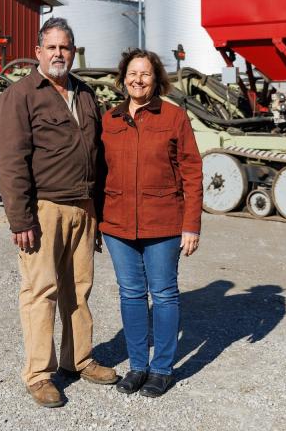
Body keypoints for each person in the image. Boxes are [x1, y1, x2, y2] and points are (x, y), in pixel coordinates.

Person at [0, 17, 119, 408]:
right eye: (51, 47)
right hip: (45, 208)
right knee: (41, 291)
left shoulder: (83, 94)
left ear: (74, 51)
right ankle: (38, 374)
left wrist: (98, 210)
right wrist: (20, 219)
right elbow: (12, 161)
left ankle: (78, 359)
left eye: (65, 47)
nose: (59, 54)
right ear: (38, 52)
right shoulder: (22, 94)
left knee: (79, 290)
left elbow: (97, 155)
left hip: (83, 207)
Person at [99, 48, 203, 398]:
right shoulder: (110, 119)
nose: (137, 79)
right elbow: (99, 173)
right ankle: (138, 366)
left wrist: (191, 225)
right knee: (130, 294)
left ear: (156, 79)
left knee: (163, 293)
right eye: (132, 73)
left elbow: (192, 172)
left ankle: (161, 369)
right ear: (122, 78)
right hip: (118, 225)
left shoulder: (174, 118)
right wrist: (98, 222)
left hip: (164, 224)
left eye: (145, 74)